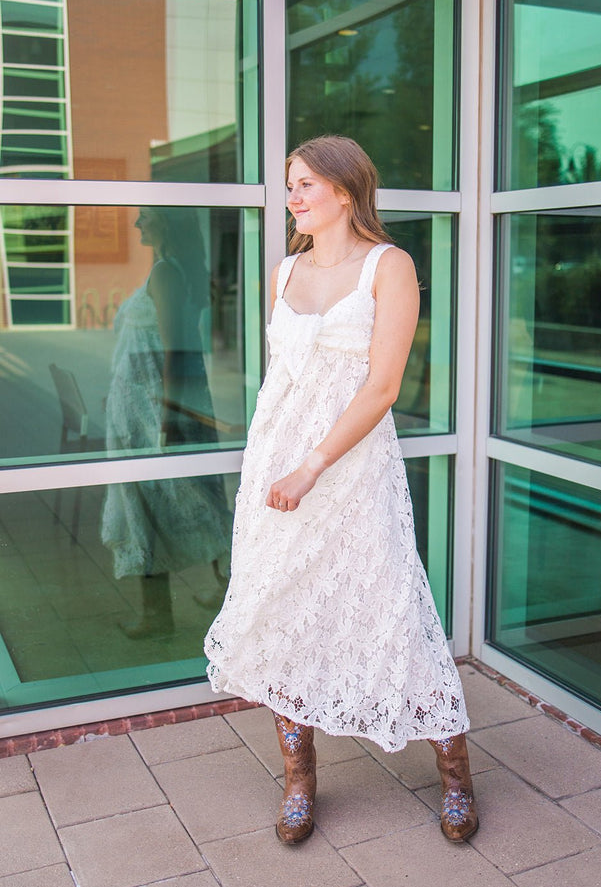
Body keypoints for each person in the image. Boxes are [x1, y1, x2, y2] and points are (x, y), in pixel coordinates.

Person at [204, 136, 477, 844]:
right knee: (279, 610)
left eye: (303, 185)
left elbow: (382, 387)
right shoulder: (282, 272)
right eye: (288, 185)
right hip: (275, 461)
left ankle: (454, 772)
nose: (291, 197)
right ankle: (299, 780)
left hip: (348, 467)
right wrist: (277, 464)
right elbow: (281, 384)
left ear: (345, 192)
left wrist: (313, 464)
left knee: (388, 606)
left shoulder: (390, 266)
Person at [102, 207, 232, 638]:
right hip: (140, 411)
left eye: (146, 217)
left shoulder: (165, 273)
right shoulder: (169, 271)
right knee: (168, 505)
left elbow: (178, 350)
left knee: (159, 509)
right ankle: (206, 597)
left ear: (167, 223)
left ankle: (168, 613)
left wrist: (168, 420)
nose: (138, 224)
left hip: (151, 414)